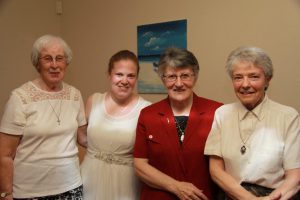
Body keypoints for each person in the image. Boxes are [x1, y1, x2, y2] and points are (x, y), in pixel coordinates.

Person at [204, 46, 300, 199]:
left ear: (267, 79)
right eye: (238, 77)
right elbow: (216, 170)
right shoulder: (222, 113)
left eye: (254, 76)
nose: (245, 84)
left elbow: (294, 177)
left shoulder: (288, 116)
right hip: (231, 195)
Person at [0, 35, 87, 200]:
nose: (54, 65)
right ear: (37, 63)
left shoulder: (75, 95)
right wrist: (5, 194)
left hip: (72, 186)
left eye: (59, 58)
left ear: (66, 62)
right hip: (31, 192)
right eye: (48, 59)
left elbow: (83, 138)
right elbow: (5, 154)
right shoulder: (20, 97)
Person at [133, 47, 223, 200]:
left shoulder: (216, 112)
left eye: (185, 76)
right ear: (163, 79)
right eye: (171, 76)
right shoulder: (148, 115)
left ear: (195, 77)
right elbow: (140, 165)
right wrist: (175, 186)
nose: (179, 83)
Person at [78, 50, 151, 200]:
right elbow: (82, 137)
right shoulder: (94, 100)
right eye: (119, 74)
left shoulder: (146, 109)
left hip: (125, 182)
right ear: (109, 75)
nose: (124, 81)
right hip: (90, 175)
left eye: (131, 76)